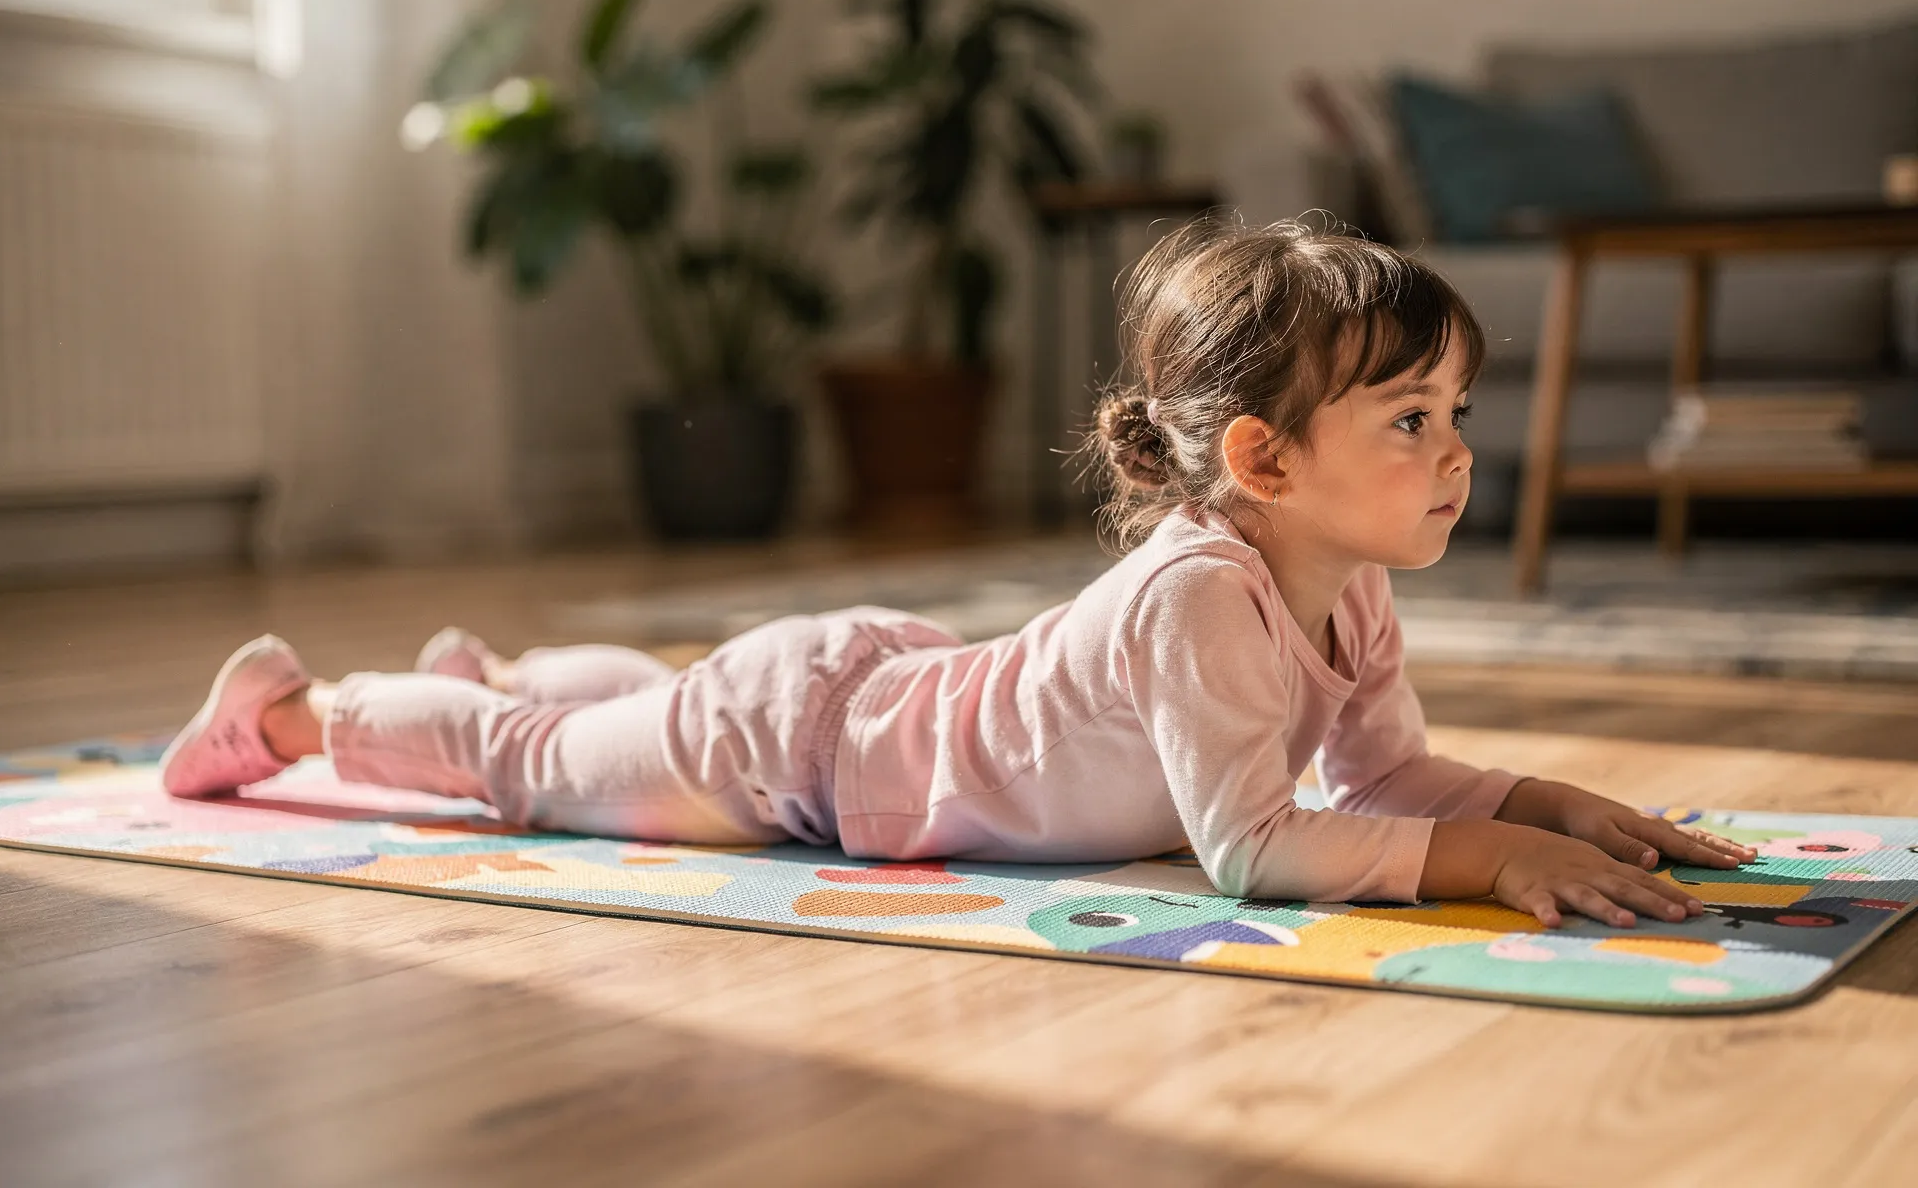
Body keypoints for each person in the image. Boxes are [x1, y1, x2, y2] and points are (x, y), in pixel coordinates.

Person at [161, 218, 1755, 927]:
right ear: (1263, 461)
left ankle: (497, 676)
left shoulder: (1344, 578)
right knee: (532, 777)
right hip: (812, 750)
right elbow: (1254, 851)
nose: (1459, 449)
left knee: (624, 719)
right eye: (1411, 418)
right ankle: (300, 712)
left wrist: (1534, 805)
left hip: (860, 700)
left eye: (1457, 412)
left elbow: (1390, 771)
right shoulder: (1205, 588)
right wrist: (1478, 865)